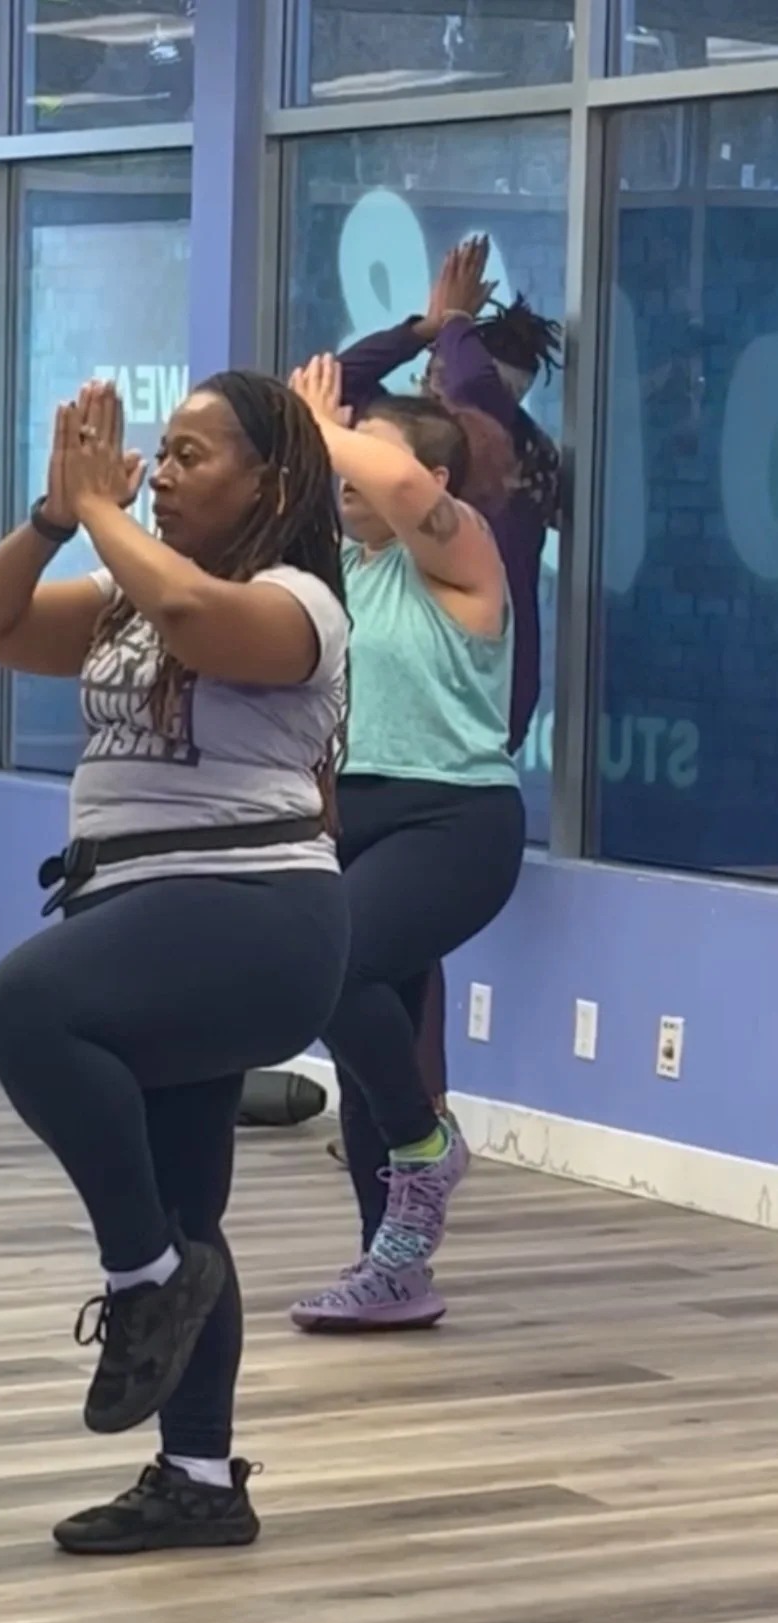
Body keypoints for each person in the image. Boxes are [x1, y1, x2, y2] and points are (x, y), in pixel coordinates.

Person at [0, 373, 350, 1554]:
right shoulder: (126, 598)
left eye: (190, 455)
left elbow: (188, 612)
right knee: (189, 1211)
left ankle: (143, 1276)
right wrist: (51, 518)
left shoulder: (299, 601)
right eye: (157, 454)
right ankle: (198, 1478)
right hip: (149, 918)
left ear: (269, 485)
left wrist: (107, 514)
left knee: (26, 1002)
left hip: (254, 917)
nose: (162, 473)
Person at [286, 354, 525, 1332]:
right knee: (359, 1026)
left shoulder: (464, 557)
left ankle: (426, 1148)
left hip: (455, 819)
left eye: (371, 462)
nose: (350, 477)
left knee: (329, 957)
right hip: (357, 819)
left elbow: (391, 480)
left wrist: (326, 431)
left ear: (436, 485)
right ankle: (393, 1264)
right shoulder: (339, 569)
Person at [332, 236, 561, 1130]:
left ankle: (418, 1115)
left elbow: (463, 398)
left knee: (378, 949)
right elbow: (333, 398)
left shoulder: (502, 473)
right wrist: (425, 325)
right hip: (379, 762)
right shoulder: (359, 550)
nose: (429, 391)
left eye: (436, 383)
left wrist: (453, 330)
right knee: (389, 957)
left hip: (471, 710)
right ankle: (403, 1129)